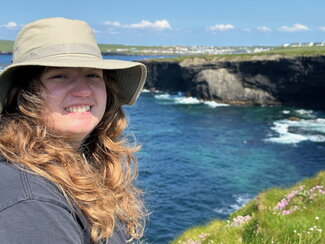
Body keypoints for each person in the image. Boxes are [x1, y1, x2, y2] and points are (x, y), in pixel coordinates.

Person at [0, 17, 147, 243]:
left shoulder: (82, 165)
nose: (82, 91)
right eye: (59, 75)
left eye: (93, 75)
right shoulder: (31, 201)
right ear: (24, 95)